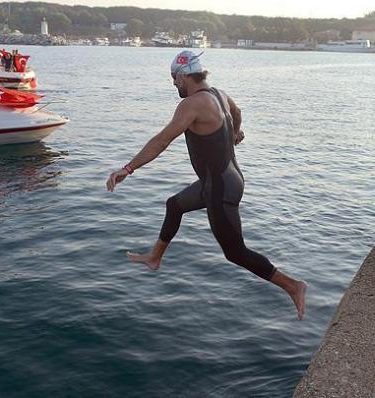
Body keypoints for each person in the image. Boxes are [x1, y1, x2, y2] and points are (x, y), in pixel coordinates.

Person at [105, 50, 307, 320]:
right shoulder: (219, 95)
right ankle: (155, 257)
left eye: (174, 78)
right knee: (174, 205)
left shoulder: (191, 104)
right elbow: (237, 111)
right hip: (226, 179)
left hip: (220, 189)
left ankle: (293, 286)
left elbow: (161, 140)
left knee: (235, 252)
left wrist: (128, 168)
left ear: (185, 75)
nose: (173, 83)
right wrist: (235, 132)